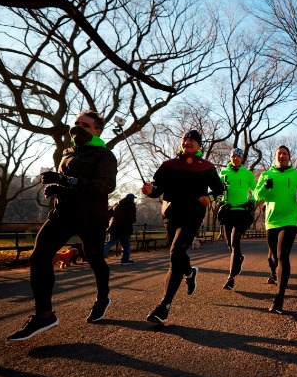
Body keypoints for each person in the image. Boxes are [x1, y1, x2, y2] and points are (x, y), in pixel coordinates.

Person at [8, 111, 117, 341]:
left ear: (97, 130)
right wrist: (56, 187)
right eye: (75, 123)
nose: (77, 128)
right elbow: (65, 181)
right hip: (63, 213)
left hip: (91, 217)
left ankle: (102, 298)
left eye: (84, 125)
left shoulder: (104, 155)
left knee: (94, 257)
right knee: (39, 257)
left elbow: (106, 185)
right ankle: (44, 315)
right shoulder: (68, 153)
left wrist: (65, 181)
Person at [141, 130, 224, 323]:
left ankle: (164, 306)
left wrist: (209, 197)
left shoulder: (207, 167)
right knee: (176, 254)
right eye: (185, 139)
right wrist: (150, 190)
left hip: (193, 214)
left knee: (176, 254)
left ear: (199, 145)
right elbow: (157, 187)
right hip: (170, 213)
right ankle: (189, 272)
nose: (187, 142)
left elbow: (220, 190)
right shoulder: (169, 165)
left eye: (192, 140)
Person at [253, 145, 297, 314]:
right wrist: (265, 187)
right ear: (275, 156)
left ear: (289, 157)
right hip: (271, 221)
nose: (282, 156)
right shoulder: (266, 174)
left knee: (282, 254)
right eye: (279, 154)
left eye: (285, 154)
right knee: (273, 256)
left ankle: (279, 297)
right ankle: (277, 274)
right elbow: (256, 196)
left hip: (290, 220)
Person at [219, 148, 256, 291]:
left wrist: (251, 201)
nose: (235, 158)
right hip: (228, 212)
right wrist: (220, 201)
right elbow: (219, 190)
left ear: (242, 159)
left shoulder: (248, 174)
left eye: (238, 156)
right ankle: (239, 258)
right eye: (233, 156)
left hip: (242, 212)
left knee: (235, 242)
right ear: (230, 158)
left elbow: (256, 190)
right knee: (230, 244)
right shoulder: (224, 173)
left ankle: (231, 278)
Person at [103, 193, 137, 264]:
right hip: (125, 229)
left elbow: (108, 213)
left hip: (114, 228)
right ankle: (125, 260)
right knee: (126, 245)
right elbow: (131, 219)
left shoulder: (117, 204)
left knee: (110, 243)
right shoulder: (131, 206)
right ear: (132, 199)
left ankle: (99, 256)